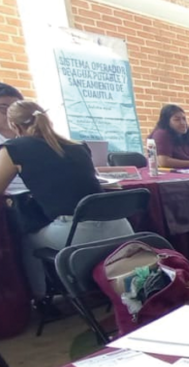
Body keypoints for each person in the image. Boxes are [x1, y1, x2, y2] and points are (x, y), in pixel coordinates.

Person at [0, 100, 133, 299]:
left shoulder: (14, 148)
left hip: (78, 233)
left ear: (14, 126)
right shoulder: (78, 146)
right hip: (121, 228)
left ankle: (42, 298)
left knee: (27, 238)